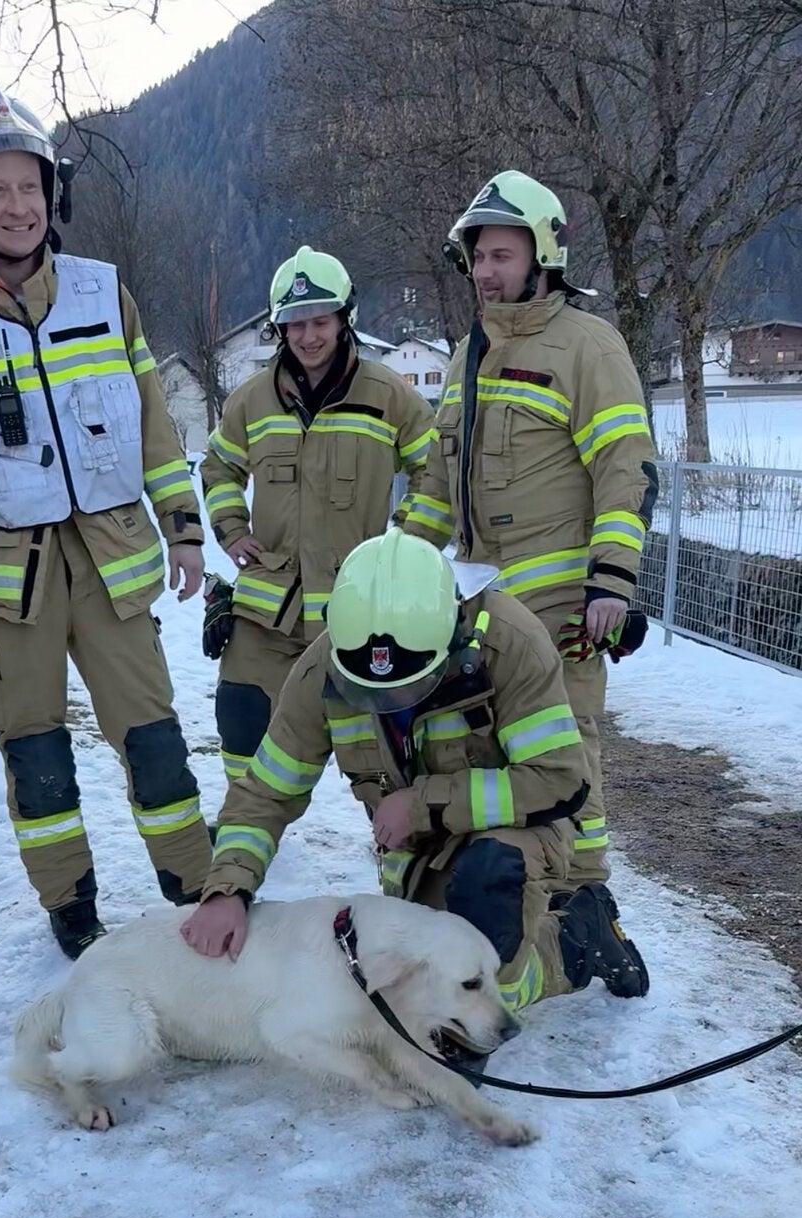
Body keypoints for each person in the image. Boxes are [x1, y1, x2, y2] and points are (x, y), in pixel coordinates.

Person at [0, 85, 211, 960]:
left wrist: (183, 525)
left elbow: (153, 418)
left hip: (112, 565)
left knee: (154, 740)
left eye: (29, 185)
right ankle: (71, 908)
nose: (16, 204)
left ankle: (197, 890)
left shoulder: (104, 293)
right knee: (36, 758)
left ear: (52, 191)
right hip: (6, 584)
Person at [181, 529, 649, 1011]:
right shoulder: (323, 666)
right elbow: (266, 793)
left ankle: (574, 942)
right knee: (428, 980)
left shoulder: (511, 644)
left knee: (478, 971)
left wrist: (424, 803)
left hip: (519, 831)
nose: (384, 704)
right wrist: (228, 889)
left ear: (451, 638)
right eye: (368, 692)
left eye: (405, 689)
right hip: (419, 850)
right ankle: (572, 934)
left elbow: (559, 779)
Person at [402, 170, 657, 904]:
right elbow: (436, 488)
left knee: (569, 749)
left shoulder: (589, 346)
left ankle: (587, 904)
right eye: (478, 258)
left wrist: (611, 581)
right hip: (486, 609)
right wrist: (403, 565)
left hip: (565, 608)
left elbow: (625, 468)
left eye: (502, 257)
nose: (485, 272)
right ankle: (526, 897)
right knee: (495, 750)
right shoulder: (466, 355)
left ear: (543, 256)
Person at [199, 244, 438, 782]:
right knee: (241, 719)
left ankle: (397, 830)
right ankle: (245, 820)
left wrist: (403, 544)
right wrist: (232, 531)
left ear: (343, 318)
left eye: (320, 321)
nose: (308, 336)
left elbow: (436, 473)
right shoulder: (251, 400)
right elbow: (218, 468)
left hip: (361, 608)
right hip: (269, 610)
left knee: (378, 735)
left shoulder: (389, 395)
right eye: (294, 324)